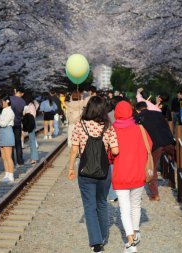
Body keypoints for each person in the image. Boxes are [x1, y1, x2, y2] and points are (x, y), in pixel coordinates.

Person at [68, 96, 119, 253]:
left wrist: (70, 168)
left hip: (85, 171)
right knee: (102, 203)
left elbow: (74, 150)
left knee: (89, 206)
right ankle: (103, 236)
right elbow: (116, 150)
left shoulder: (79, 125)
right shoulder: (108, 127)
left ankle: (96, 244)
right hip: (104, 171)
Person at [112, 101, 152, 253]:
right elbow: (150, 145)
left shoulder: (113, 130)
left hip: (120, 175)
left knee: (124, 209)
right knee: (136, 205)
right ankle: (135, 232)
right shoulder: (139, 129)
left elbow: (110, 154)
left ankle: (130, 242)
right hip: (138, 174)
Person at [135, 101, 175, 201]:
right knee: (178, 160)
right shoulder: (158, 113)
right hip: (168, 141)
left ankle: (155, 195)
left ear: (137, 110)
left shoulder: (138, 118)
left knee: (152, 168)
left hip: (155, 145)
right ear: (146, 107)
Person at [0, 95, 15, 183]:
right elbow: (0, 122)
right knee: (4, 157)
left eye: (2, 102)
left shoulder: (10, 111)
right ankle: (6, 174)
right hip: (2, 133)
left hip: (7, 132)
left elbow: (3, 123)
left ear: (7, 101)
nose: (1, 103)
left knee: (8, 156)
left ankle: (11, 175)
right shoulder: (3, 110)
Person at [10, 87, 26, 165]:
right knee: (18, 142)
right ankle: (20, 160)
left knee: (11, 143)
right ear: (21, 93)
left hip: (10, 123)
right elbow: (23, 113)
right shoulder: (23, 101)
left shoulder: (10, 98)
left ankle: (12, 160)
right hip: (18, 123)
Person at [23, 92, 39, 164]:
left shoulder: (30, 105)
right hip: (32, 123)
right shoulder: (34, 104)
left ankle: (34, 157)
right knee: (32, 140)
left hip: (30, 123)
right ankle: (34, 157)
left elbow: (26, 114)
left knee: (32, 141)